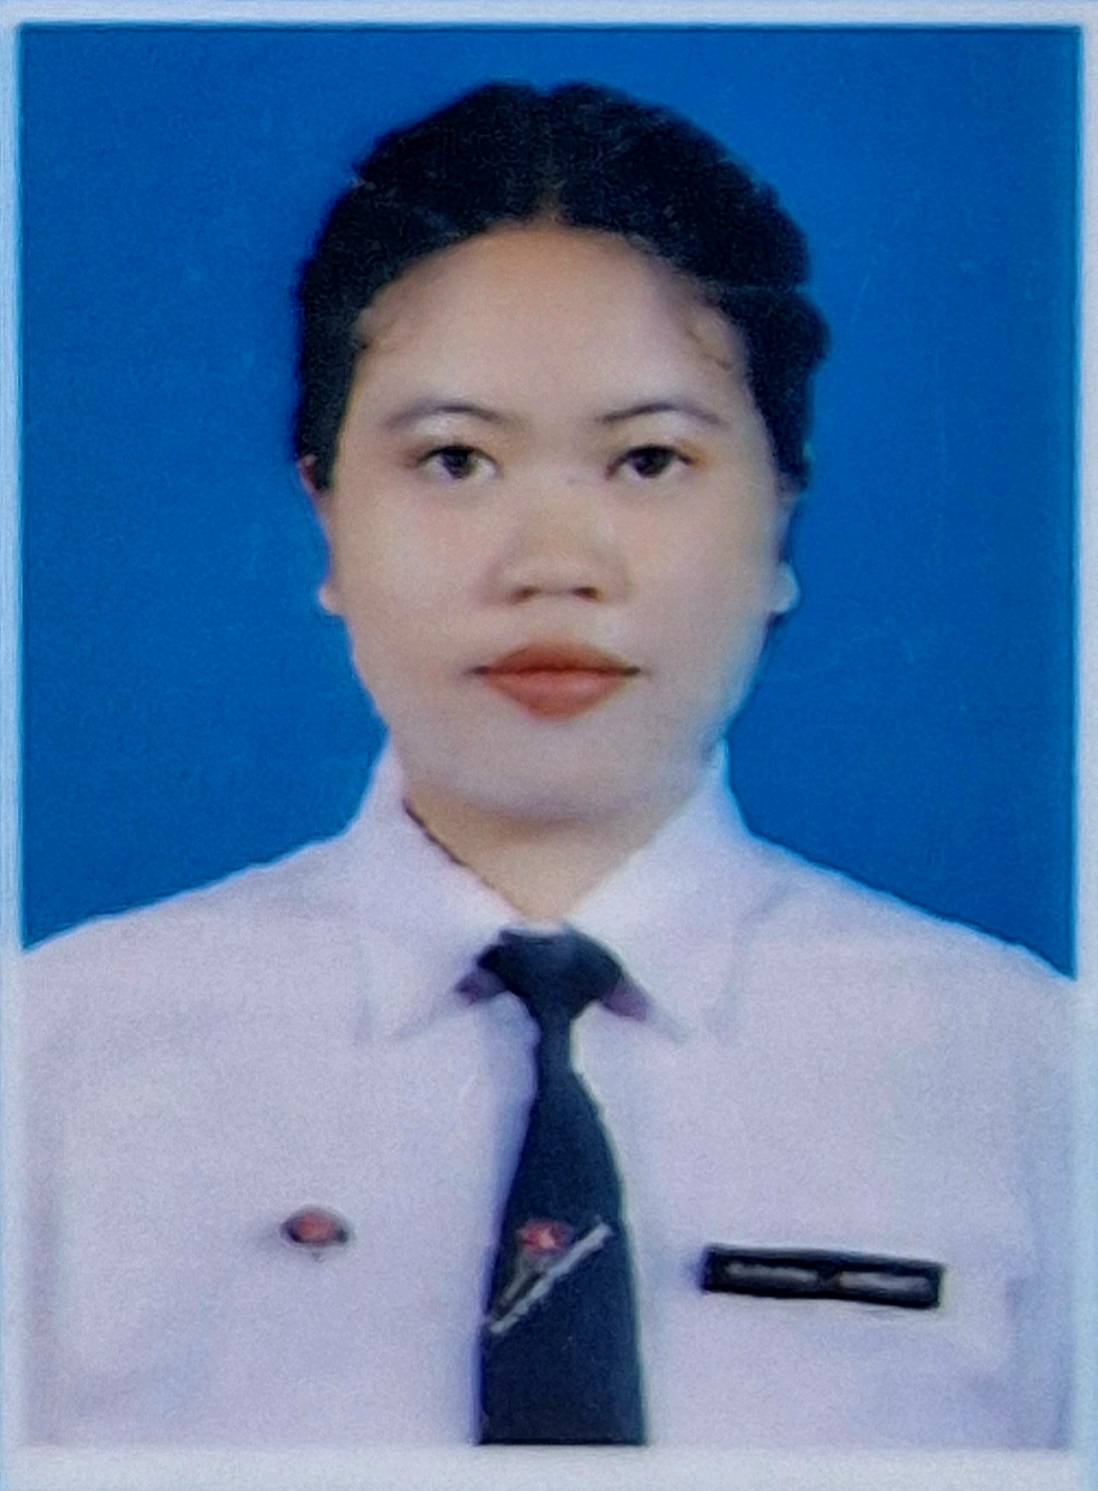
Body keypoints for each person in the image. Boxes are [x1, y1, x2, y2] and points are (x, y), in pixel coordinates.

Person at [18, 80, 1070, 1449]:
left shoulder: (1025, 1075)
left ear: (781, 518)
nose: (552, 565)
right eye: (455, 460)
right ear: (326, 511)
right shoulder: (55, 1064)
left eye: (649, 461)